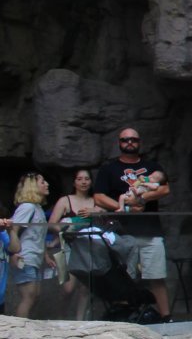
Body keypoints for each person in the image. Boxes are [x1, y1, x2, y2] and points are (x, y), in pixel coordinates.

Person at [93, 127, 171, 320]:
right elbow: (99, 197)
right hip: (122, 233)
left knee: (156, 276)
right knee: (124, 277)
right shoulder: (108, 169)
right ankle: (128, 316)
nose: (130, 143)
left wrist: (141, 199)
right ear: (119, 143)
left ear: (139, 143)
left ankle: (166, 317)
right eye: (125, 140)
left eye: (134, 140)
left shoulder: (152, 167)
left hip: (150, 230)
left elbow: (164, 189)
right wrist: (127, 206)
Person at [48, 167, 100, 319]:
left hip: (88, 247)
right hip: (69, 246)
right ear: (74, 182)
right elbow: (51, 223)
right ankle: (61, 317)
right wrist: (67, 229)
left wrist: (97, 212)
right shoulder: (65, 200)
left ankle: (80, 321)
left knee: (85, 288)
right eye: (79, 179)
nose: (83, 182)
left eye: (87, 178)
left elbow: (106, 220)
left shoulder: (95, 201)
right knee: (68, 288)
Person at [8, 172, 53, 318]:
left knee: (35, 294)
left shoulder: (37, 208)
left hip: (35, 257)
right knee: (29, 295)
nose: (47, 184)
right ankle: (21, 331)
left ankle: (28, 327)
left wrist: (46, 256)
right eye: (42, 182)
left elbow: (39, 236)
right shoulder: (27, 207)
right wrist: (13, 253)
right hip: (25, 256)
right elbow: (13, 229)